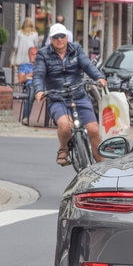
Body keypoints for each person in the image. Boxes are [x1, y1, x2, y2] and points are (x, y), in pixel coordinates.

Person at [33, 24, 107, 165]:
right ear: (51, 39)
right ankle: (63, 148)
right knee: (66, 126)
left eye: (62, 36)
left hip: (78, 95)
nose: (59, 39)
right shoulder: (43, 54)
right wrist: (39, 90)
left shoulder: (76, 49)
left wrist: (99, 77)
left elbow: (87, 65)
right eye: (55, 37)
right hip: (57, 98)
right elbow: (39, 75)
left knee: (94, 130)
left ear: (67, 37)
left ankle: (102, 166)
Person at [18, 47, 38, 126]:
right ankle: (25, 117)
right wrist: (31, 74)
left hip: (42, 86)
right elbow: (21, 80)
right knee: (31, 90)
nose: (35, 56)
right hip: (30, 85)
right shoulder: (24, 66)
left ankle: (56, 119)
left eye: (36, 54)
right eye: (33, 54)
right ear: (29, 55)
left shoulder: (42, 66)